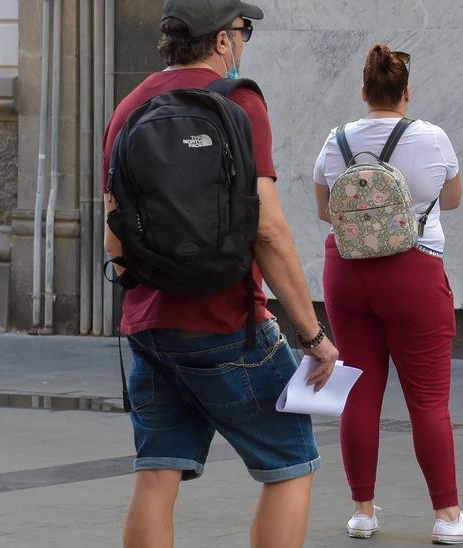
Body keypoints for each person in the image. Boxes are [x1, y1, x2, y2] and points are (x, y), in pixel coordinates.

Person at [103, 2, 338, 547]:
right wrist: (314, 335)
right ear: (222, 42)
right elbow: (270, 230)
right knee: (291, 461)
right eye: (243, 30)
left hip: (148, 327)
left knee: (157, 470)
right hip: (228, 324)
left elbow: (115, 235)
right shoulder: (238, 101)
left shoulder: (128, 107)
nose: (244, 41)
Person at [312, 43, 463, 544]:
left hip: (347, 272)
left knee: (359, 391)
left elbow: (324, 211)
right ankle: (447, 517)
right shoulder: (431, 137)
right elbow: (453, 200)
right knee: (428, 401)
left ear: (363, 91)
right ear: (407, 93)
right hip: (413, 271)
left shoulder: (336, 141)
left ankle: (362, 512)